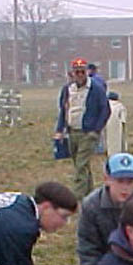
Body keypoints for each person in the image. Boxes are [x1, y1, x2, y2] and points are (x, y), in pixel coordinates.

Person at [72, 152, 133, 265]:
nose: (125, 188)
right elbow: (88, 249)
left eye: (130, 182)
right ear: (107, 179)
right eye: (119, 181)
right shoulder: (91, 205)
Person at [54, 58, 111, 199]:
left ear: (87, 72)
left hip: (88, 133)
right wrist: (60, 130)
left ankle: (76, 197)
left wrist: (96, 130)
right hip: (72, 132)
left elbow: (105, 110)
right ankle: (90, 194)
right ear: (72, 73)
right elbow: (63, 110)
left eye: (82, 72)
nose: (79, 75)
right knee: (81, 165)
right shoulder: (67, 89)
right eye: (76, 72)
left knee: (81, 164)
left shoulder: (96, 89)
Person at [104, 91, 128, 156]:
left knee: (108, 140)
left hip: (106, 124)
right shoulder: (120, 106)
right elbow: (123, 119)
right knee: (117, 140)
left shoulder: (105, 105)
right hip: (117, 125)